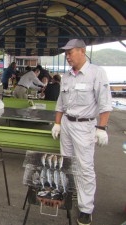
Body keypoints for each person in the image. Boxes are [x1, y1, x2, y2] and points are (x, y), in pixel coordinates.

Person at [51, 39, 112, 225]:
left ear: (82, 51)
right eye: (66, 53)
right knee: (66, 162)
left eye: (70, 53)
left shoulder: (96, 73)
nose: (67, 57)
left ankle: (86, 208)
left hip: (85, 126)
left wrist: (101, 128)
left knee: (85, 168)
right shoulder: (67, 76)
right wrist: (57, 123)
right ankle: (69, 194)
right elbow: (60, 103)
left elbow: (105, 103)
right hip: (68, 124)